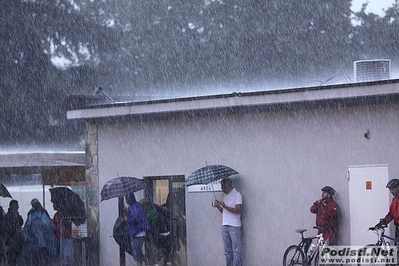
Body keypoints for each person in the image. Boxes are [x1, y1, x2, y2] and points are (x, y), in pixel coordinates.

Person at [213, 178, 243, 266]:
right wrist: (218, 206)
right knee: (227, 250)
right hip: (225, 225)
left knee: (237, 250)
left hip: (234, 226)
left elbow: (239, 209)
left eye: (222, 185)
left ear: (227, 185)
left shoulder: (237, 195)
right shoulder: (224, 196)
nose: (221, 187)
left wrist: (225, 206)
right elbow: (224, 212)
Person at [20, 198, 57, 266]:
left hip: (36, 243)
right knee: (44, 259)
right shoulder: (43, 213)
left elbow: (27, 227)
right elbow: (49, 225)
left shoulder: (32, 214)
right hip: (44, 242)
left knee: (37, 259)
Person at [124, 193, 149, 266]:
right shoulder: (137, 206)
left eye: (126, 199)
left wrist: (127, 218)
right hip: (140, 232)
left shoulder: (133, 207)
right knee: (138, 253)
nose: (126, 201)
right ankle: (148, 262)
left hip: (136, 233)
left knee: (137, 255)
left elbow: (135, 219)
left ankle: (148, 262)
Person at [3, 200, 24, 266]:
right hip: (12, 239)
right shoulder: (8, 216)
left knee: (17, 255)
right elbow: (8, 228)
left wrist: (19, 217)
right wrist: (10, 237)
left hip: (18, 238)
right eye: (16, 205)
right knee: (12, 256)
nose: (18, 207)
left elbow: (20, 223)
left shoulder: (16, 214)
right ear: (13, 206)